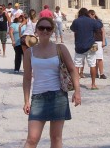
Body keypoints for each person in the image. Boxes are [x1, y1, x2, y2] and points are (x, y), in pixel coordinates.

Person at [22, 17, 81, 148]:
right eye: (41, 28)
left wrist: (77, 92)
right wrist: (26, 100)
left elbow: (72, 70)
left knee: (56, 137)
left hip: (58, 96)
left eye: (48, 28)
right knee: (32, 138)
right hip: (38, 97)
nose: (45, 30)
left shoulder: (60, 48)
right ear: (36, 30)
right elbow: (26, 78)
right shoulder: (29, 52)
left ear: (52, 31)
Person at [70, 7, 103, 90]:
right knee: (92, 64)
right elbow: (100, 25)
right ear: (87, 14)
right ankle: (93, 84)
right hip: (91, 46)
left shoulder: (76, 21)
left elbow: (72, 29)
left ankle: (75, 84)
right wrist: (96, 17)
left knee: (77, 65)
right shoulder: (92, 21)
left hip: (79, 46)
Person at [88, 10, 107, 79]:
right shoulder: (89, 23)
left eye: (90, 15)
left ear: (93, 15)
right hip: (93, 42)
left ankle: (101, 73)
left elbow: (103, 31)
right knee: (94, 58)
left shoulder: (98, 22)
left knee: (99, 58)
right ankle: (95, 73)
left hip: (98, 41)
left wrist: (103, 41)